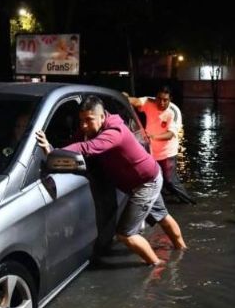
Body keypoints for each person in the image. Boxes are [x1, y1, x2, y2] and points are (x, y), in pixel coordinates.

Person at [36, 95, 187, 266]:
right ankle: (182, 250)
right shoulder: (89, 130)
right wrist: (57, 149)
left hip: (146, 183)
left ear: (102, 116)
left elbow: (86, 148)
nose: (84, 125)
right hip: (143, 178)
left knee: (126, 234)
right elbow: (76, 142)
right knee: (162, 215)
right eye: (81, 120)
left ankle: (157, 265)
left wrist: (52, 151)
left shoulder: (114, 133)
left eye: (89, 120)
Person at [126, 86, 196, 204]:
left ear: (170, 99)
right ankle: (159, 202)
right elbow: (136, 101)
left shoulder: (173, 111)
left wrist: (153, 137)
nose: (161, 102)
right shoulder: (149, 101)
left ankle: (189, 202)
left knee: (170, 180)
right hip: (152, 151)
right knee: (154, 178)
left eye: (165, 100)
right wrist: (125, 97)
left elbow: (170, 134)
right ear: (155, 97)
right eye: (159, 99)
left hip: (167, 153)